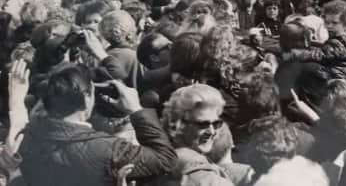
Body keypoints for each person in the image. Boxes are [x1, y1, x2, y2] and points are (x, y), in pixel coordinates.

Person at [19, 64, 177, 186]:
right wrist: (136, 110)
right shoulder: (107, 148)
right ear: (87, 99)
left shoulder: (26, 136)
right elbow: (165, 159)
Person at [156, 84, 234, 186]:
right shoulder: (194, 172)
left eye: (216, 124)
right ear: (175, 126)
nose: (212, 132)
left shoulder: (163, 154)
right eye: (202, 124)